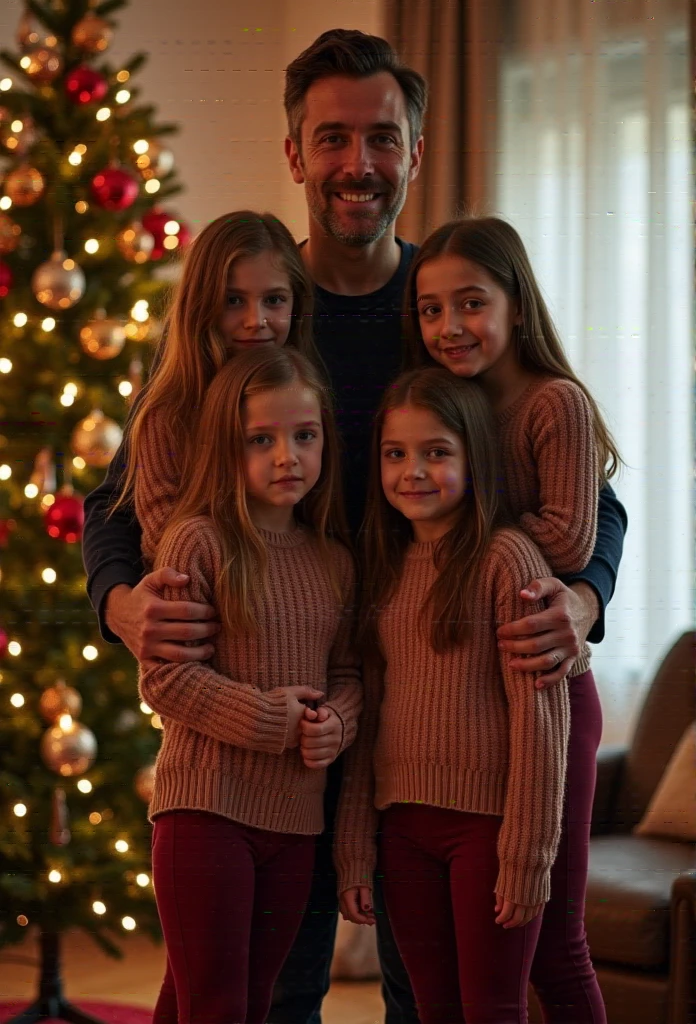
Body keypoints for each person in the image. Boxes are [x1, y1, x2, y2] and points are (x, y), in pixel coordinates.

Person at [81, 29, 627, 1024]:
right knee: (264, 987)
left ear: (416, 150)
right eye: (332, 139)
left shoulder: (451, 305)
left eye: (382, 138)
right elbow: (121, 498)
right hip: (270, 714)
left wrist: (583, 598)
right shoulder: (250, 309)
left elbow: (587, 487)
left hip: (430, 716)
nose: (358, 165)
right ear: (295, 153)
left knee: (436, 990)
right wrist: (124, 606)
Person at [399, 215, 621, 1022]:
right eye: (430, 310)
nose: (450, 327)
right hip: (467, 716)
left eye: (470, 303)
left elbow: (570, 530)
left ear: (516, 305)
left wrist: (466, 545)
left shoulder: (551, 401)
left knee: (555, 944)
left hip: (549, 693)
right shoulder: (451, 405)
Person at [336, 367, 571, 1023]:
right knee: (430, 1009)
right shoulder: (378, 563)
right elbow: (369, 718)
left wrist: (527, 856)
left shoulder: (507, 559)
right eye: (396, 454)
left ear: (474, 458)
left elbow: (540, 722)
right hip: (402, 830)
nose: (413, 470)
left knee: (493, 1009)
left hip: (489, 833)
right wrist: (356, 847)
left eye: (436, 452)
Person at [139, 344, 362, 1024]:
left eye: (304, 436)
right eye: (260, 440)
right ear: (227, 447)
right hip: (205, 810)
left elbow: (349, 674)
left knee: (239, 1001)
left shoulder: (335, 560)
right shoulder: (198, 542)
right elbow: (166, 679)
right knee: (215, 1004)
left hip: (295, 820)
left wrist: (337, 725)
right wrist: (272, 720)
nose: (286, 456)